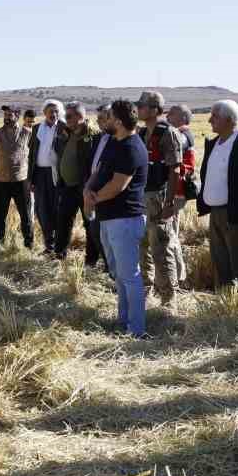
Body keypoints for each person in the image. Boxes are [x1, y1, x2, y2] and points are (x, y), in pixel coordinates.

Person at [85, 99, 149, 336]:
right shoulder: (115, 142)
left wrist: (93, 198)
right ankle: (124, 322)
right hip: (110, 217)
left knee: (130, 276)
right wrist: (88, 189)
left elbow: (117, 185)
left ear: (119, 122)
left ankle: (137, 330)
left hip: (125, 219)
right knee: (120, 275)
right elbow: (101, 172)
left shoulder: (131, 147)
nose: (105, 121)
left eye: (109, 117)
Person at [196, 99, 238, 292]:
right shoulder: (213, 144)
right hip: (215, 213)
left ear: (230, 120)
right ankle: (225, 301)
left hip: (237, 215)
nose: (209, 120)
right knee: (220, 261)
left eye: (215, 116)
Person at [136, 91, 185, 309]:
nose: (139, 109)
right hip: (142, 196)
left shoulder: (168, 133)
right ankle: (145, 291)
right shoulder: (142, 132)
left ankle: (168, 298)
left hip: (159, 196)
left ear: (155, 109)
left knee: (162, 248)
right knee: (142, 245)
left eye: (143, 105)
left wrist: (169, 204)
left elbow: (175, 170)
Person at [0, 105, 33, 248]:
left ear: (17, 116)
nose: (6, 118)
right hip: (0, 183)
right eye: (5, 115)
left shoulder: (27, 133)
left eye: (9, 115)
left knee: (26, 216)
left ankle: (28, 245)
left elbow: (35, 157)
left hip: (21, 182)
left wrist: (32, 179)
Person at [53, 101, 95, 259]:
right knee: (63, 221)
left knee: (89, 224)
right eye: (66, 116)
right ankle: (59, 254)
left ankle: (91, 259)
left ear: (80, 116)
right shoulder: (68, 133)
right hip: (67, 187)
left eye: (69, 116)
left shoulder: (92, 135)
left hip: (84, 187)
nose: (66, 119)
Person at [28, 100, 65, 255]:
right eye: (50, 111)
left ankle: (60, 246)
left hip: (57, 174)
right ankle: (48, 245)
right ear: (44, 113)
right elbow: (31, 155)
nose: (53, 114)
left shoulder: (64, 128)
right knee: (42, 210)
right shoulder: (37, 129)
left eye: (56, 111)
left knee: (58, 208)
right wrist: (30, 178)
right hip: (39, 174)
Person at [84, 104, 115, 272]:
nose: (99, 122)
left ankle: (113, 269)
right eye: (98, 119)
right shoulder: (98, 138)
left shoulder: (116, 140)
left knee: (107, 234)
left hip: (108, 193)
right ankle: (108, 266)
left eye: (102, 118)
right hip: (93, 191)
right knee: (96, 231)